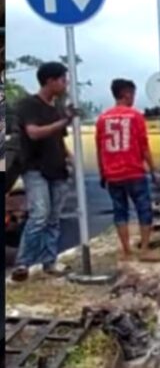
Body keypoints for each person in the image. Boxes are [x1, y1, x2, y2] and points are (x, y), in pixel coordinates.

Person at [11, 62, 79, 282]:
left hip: (58, 168)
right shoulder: (28, 105)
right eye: (62, 79)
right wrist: (63, 121)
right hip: (35, 168)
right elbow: (34, 133)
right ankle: (23, 263)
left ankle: (49, 262)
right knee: (39, 215)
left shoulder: (57, 108)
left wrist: (72, 159)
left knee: (53, 219)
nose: (65, 83)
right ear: (50, 81)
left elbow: (59, 139)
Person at [96, 79, 160, 262]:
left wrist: (103, 173)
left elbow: (99, 148)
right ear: (126, 94)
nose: (134, 98)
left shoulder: (102, 119)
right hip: (134, 172)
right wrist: (154, 170)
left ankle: (126, 251)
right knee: (143, 209)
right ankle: (145, 249)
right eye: (133, 94)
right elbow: (144, 146)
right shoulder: (135, 117)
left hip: (113, 174)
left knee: (120, 211)